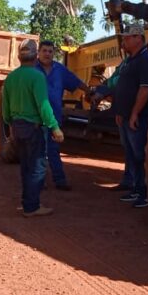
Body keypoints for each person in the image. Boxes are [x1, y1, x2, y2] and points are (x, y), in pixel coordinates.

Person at [1, 39, 65, 217]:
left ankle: (27, 202)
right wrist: (54, 127)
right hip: (33, 128)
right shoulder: (37, 77)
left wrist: (10, 123)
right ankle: (31, 206)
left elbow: (4, 107)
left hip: (17, 127)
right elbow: (43, 105)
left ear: (18, 57)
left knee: (25, 167)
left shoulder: (11, 77)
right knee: (37, 167)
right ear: (36, 56)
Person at [111, 22, 148, 208]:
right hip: (126, 116)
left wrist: (135, 113)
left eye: (127, 37)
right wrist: (121, 113)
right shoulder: (130, 60)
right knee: (131, 154)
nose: (124, 41)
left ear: (138, 39)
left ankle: (145, 193)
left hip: (137, 118)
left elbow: (145, 89)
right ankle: (136, 189)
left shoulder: (145, 60)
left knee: (139, 154)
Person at [36, 40, 88, 191]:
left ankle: (60, 180)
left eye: (50, 51)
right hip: (36, 118)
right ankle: (39, 181)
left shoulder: (60, 70)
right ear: (38, 52)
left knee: (53, 149)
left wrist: (89, 92)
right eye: (44, 51)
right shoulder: (32, 69)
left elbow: (76, 82)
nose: (47, 54)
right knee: (38, 150)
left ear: (54, 54)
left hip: (54, 119)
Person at [90, 57, 134, 192]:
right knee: (128, 147)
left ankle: (136, 184)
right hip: (122, 112)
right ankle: (128, 181)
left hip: (131, 112)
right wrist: (101, 90)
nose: (124, 43)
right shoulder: (125, 62)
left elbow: (121, 84)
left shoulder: (140, 62)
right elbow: (112, 81)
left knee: (134, 148)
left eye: (127, 38)